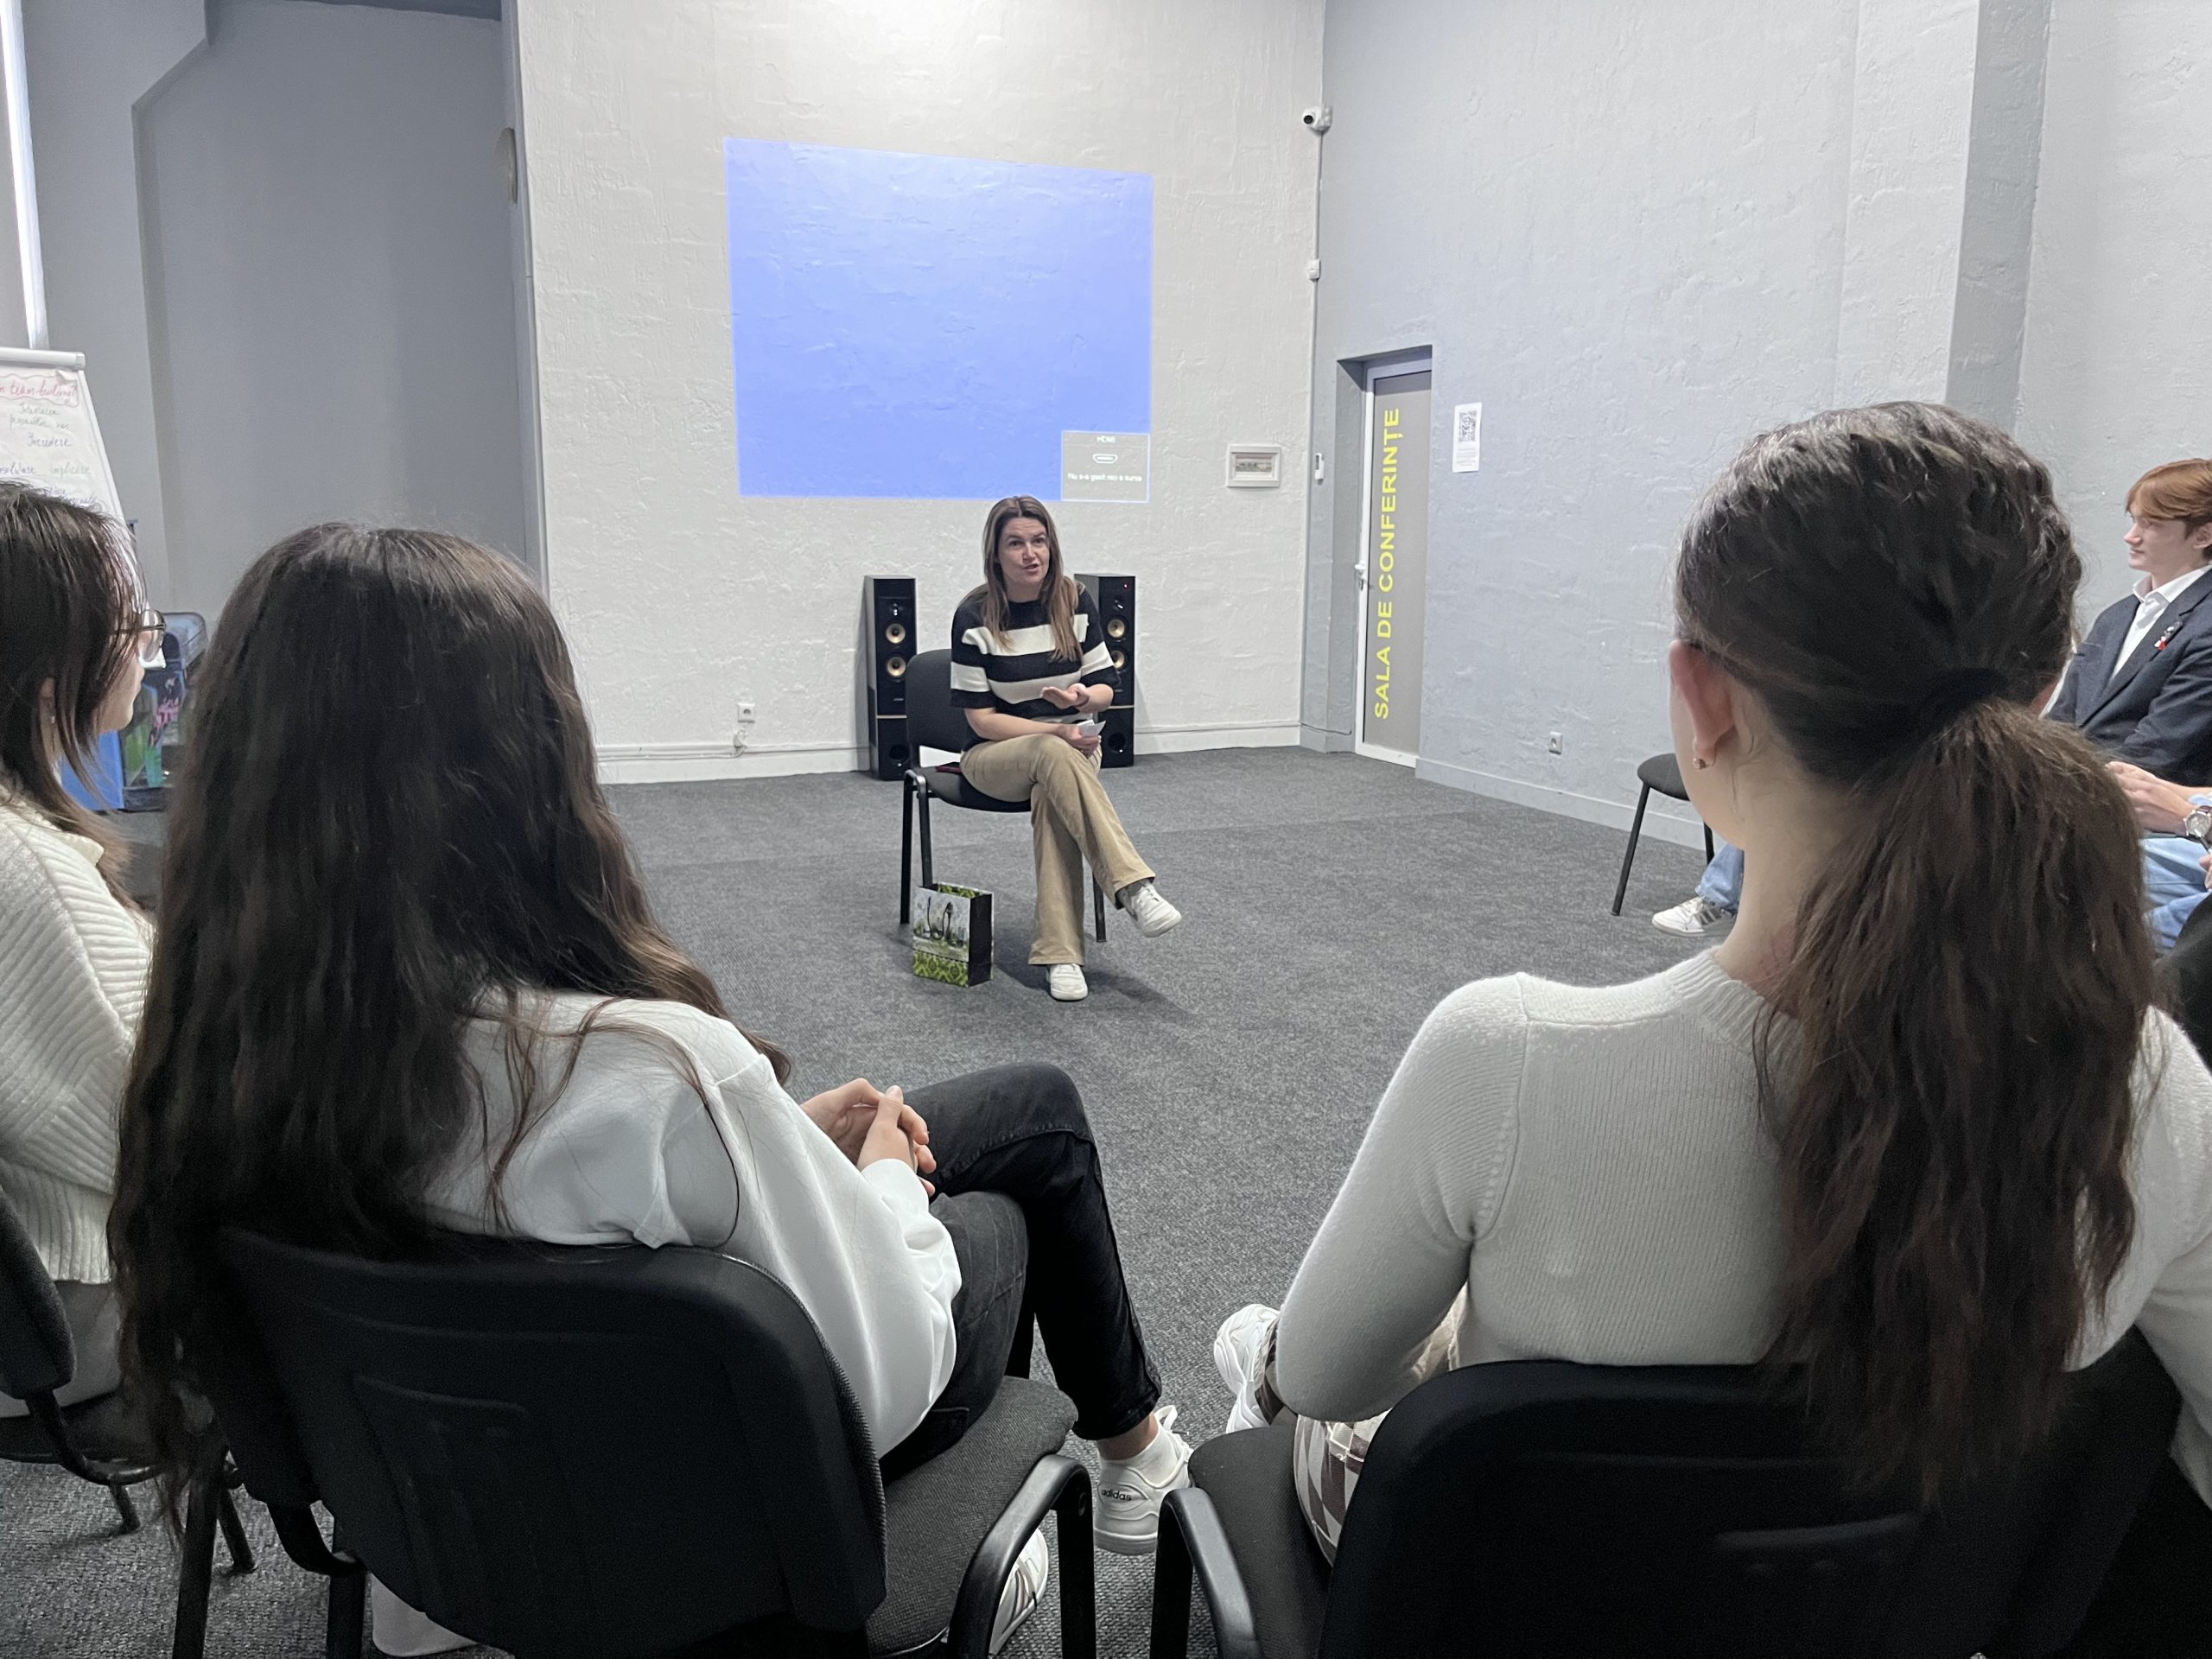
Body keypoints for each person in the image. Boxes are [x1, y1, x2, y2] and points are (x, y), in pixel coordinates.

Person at [1214, 406, 2212, 1637]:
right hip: (1890, 1619)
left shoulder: (1509, 1063)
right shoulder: (2153, 1085)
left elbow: (1330, 1375)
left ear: (1702, 701)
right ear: (2050, 685)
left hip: (1526, 1610)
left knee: (1277, 1366)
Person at [105, 527, 1192, 1656]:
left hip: (443, 1541)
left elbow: (571, 1193)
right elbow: (881, 1377)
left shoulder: (219, 1064)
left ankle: (1130, 1443)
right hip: (713, 1552)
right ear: (528, 764)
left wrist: (778, 1137)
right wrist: (880, 1188)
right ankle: (1074, 1486)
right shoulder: (652, 1069)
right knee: (1005, 1187)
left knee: (1019, 1107)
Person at [1655, 454, 2212, 937]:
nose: (2131, 536)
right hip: (2072, 770)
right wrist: (2032, 759)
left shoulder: (2205, 625)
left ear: (2202, 535)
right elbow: (2064, 714)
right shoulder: (2122, 614)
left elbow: (2156, 750)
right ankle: (1726, 896)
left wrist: (2039, 775)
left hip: (2128, 795)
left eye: (2150, 524)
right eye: (2133, 521)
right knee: (1820, 764)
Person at [0, 484, 159, 1420]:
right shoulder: (29, 869)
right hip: (70, 1316)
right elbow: (150, 1137)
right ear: (52, 673)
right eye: (132, 627)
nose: (149, 650)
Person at [950, 496, 1182, 1002]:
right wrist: (1054, 734)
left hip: (1075, 746)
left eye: (1039, 541)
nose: (1030, 553)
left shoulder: (1073, 600)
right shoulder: (973, 615)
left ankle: (1062, 956)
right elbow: (981, 720)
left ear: (1051, 546)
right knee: (1049, 754)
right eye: (1016, 543)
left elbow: (1105, 688)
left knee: (1053, 794)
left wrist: (1080, 698)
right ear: (996, 554)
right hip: (995, 756)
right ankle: (1132, 886)